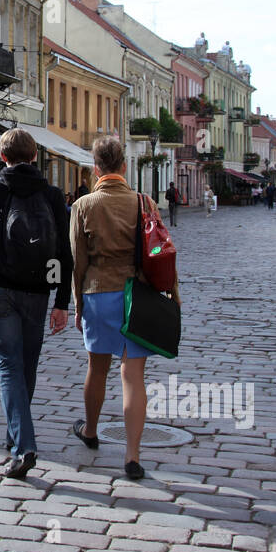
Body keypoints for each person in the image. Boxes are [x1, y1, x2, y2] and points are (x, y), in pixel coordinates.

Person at [0, 128, 72, 480]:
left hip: (1, 290)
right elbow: (64, 255)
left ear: (2, 157)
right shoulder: (53, 196)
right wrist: (61, 301)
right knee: (26, 364)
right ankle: (17, 435)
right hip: (38, 291)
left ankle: (22, 443)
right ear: (36, 156)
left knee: (8, 365)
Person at [69, 135, 179, 481]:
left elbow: (78, 263)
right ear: (125, 166)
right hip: (138, 297)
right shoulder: (144, 202)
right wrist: (173, 294)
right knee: (133, 377)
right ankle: (132, 455)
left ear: (95, 167)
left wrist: (77, 304)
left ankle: (90, 430)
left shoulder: (83, 206)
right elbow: (161, 251)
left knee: (97, 368)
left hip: (99, 293)